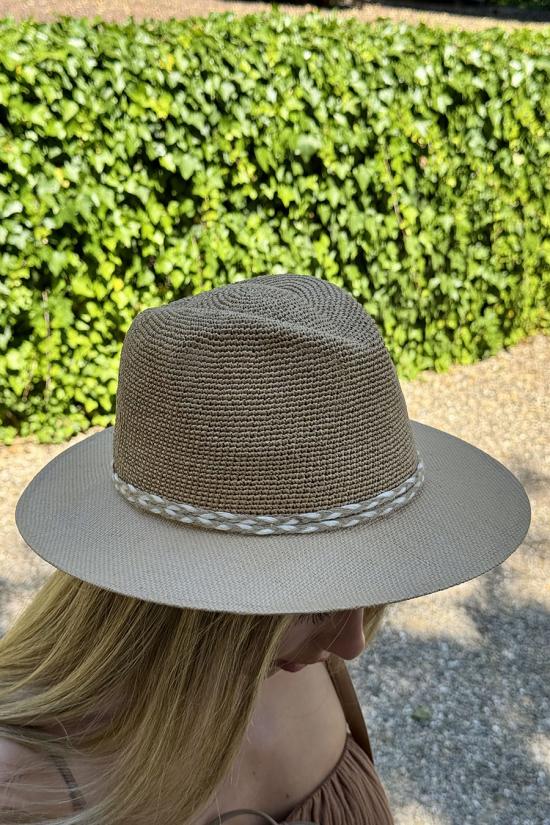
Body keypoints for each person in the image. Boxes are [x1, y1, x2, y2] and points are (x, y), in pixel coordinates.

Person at [0, 273, 531, 824]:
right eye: (312, 604)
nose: (351, 645)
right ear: (185, 604)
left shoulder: (288, 662)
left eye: (360, 583)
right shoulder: (21, 789)